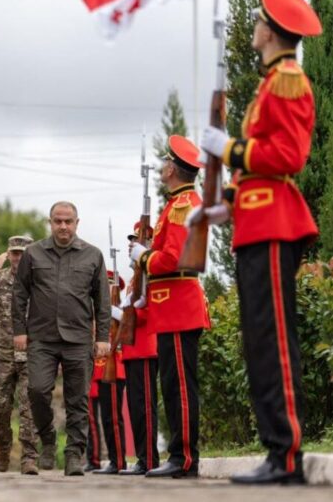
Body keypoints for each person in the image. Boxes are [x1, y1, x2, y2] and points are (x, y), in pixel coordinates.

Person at [198, 0, 322, 485]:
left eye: (257, 22)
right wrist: (224, 204)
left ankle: (287, 455)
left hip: (275, 223)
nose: (253, 27)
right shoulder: (269, 84)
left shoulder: (288, 80)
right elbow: (257, 164)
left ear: (270, 30)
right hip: (254, 221)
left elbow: (288, 156)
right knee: (258, 342)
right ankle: (276, 450)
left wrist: (227, 147)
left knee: (273, 340)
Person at [130, 136, 210, 479]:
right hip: (169, 306)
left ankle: (185, 458)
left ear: (174, 168)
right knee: (172, 385)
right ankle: (179, 455)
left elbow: (175, 258)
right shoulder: (177, 202)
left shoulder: (182, 205)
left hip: (178, 307)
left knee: (179, 386)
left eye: (166, 161)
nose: (162, 165)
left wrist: (143, 257)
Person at [13, 201, 111, 476]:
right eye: (58, 221)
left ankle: (73, 455)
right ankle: (48, 437)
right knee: (37, 390)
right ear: (50, 222)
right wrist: (19, 330)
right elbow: (20, 294)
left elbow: (102, 300)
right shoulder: (33, 253)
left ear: (77, 223)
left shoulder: (93, 255)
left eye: (68, 221)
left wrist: (102, 337)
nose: (63, 226)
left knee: (77, 399)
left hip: (78, 338)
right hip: (41, 337)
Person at [0, 235, 39, 476]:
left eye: (23, 253)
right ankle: (4, 444)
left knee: (31, 406)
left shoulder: (42, 281)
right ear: (8, 254)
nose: (19, 258)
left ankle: (29, 457)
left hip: (34, 352)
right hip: (0, 352)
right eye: (15, 253)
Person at [116, 223, 159, 476]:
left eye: (139, 240)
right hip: (133, 351)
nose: (132, 244)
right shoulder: (135, 279)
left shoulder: (149, 275)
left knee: (144, 407)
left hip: (145, 348)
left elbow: (148, 311)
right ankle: (143, 459)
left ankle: (150, 459)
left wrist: (122, 314)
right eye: (131, 240)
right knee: (135, 407)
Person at [91, 270, 128, 475]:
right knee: (106, 417)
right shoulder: (98, 312)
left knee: (113, 418)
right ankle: (114, 461)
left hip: (115, 369)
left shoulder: (120, 311)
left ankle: (119, 461)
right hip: (100, 371)